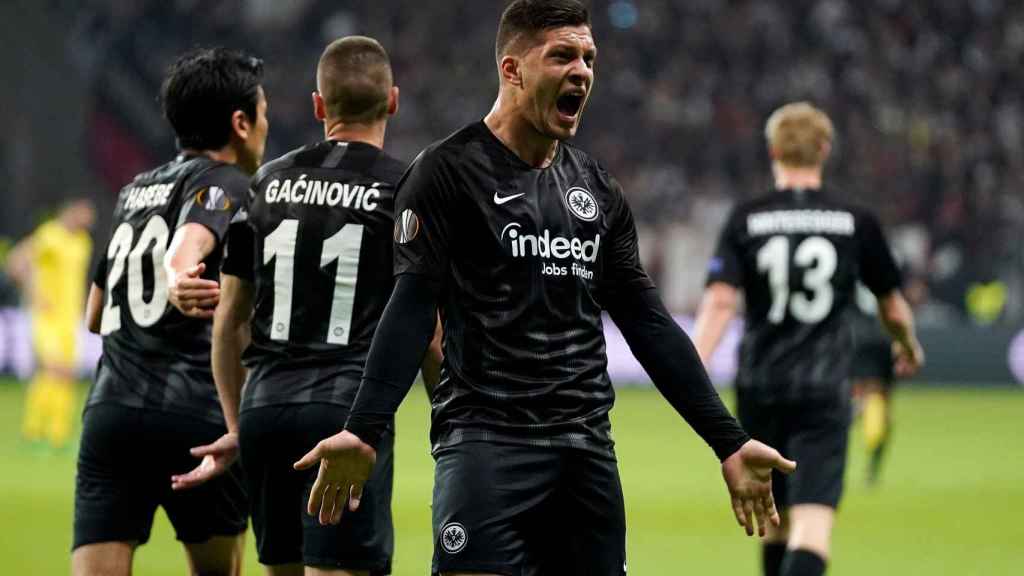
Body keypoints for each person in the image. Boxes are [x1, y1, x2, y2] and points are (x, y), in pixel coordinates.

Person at [294, 2, 796, 575]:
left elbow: (648, 323)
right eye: (561, 55)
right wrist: (363, 430)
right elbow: (410, 308)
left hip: (586, 457)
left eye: (588, 57)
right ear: (512, 70)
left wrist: (727, 440)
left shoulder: (596, 188)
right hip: (486, 447)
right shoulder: (446, 173)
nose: (582, 70)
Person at [169, 36, 442, 576]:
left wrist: (237, 424)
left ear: (319, 106)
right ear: (392, 100)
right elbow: (428, 331)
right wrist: (453, 426)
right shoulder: (405, 189)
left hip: (265, 412)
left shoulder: (266, 183)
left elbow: (230, 322)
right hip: (345, 416)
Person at [692, 101, 924, 576]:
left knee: (773, 522)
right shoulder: (854, 221)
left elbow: (719, 303)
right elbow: (892, 305)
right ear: (825, 149)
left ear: (773, 150)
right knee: (811, 527)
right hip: (823, 389)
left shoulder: (746, 218)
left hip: (758, 387)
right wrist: (907, 345)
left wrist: (692, 367)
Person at [72, 47, 268, 576]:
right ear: (240, 123)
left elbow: (96, 314)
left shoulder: (134, 190)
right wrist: (180, 278)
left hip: (111, 412)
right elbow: (187, 247)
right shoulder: (228, 182)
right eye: (263, 112)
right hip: (196, 413)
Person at [6, 199, 95, 450]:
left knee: (66, 373)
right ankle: (34, 431)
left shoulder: (82, 242)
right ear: (70, 211)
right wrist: (34, 293)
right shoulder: (50, 234)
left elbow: (78, 278)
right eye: (83, 215)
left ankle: (57, 435)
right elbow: (17, 261)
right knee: (51, 369)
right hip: (48, 316)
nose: (87, 222)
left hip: (70, 318)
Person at [849, 284, 897, 486]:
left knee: (848, 419)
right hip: (873, 388)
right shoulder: (885, 330)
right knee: (883, 424)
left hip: (860, 387)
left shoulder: (853, 326)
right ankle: (872, 470)